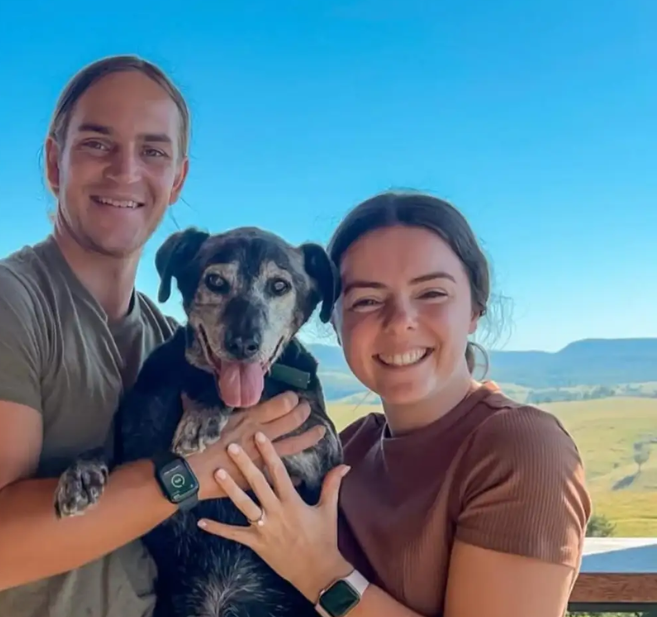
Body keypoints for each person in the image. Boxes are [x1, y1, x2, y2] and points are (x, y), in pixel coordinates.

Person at [0, 54, 325, 617]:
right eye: (97, 144)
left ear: (177, 179)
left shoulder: (172, 343)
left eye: (152, 151)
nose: (126, 171)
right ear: (54, 163)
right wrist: (194, 472)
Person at [197, 190, 593, 617]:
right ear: (334, 320)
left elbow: (307, 568)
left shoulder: (522, 449)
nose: (400, 320)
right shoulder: (350, 447)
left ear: (475, 308)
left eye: (432, 293)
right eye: (366, 300)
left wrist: (321, 574)